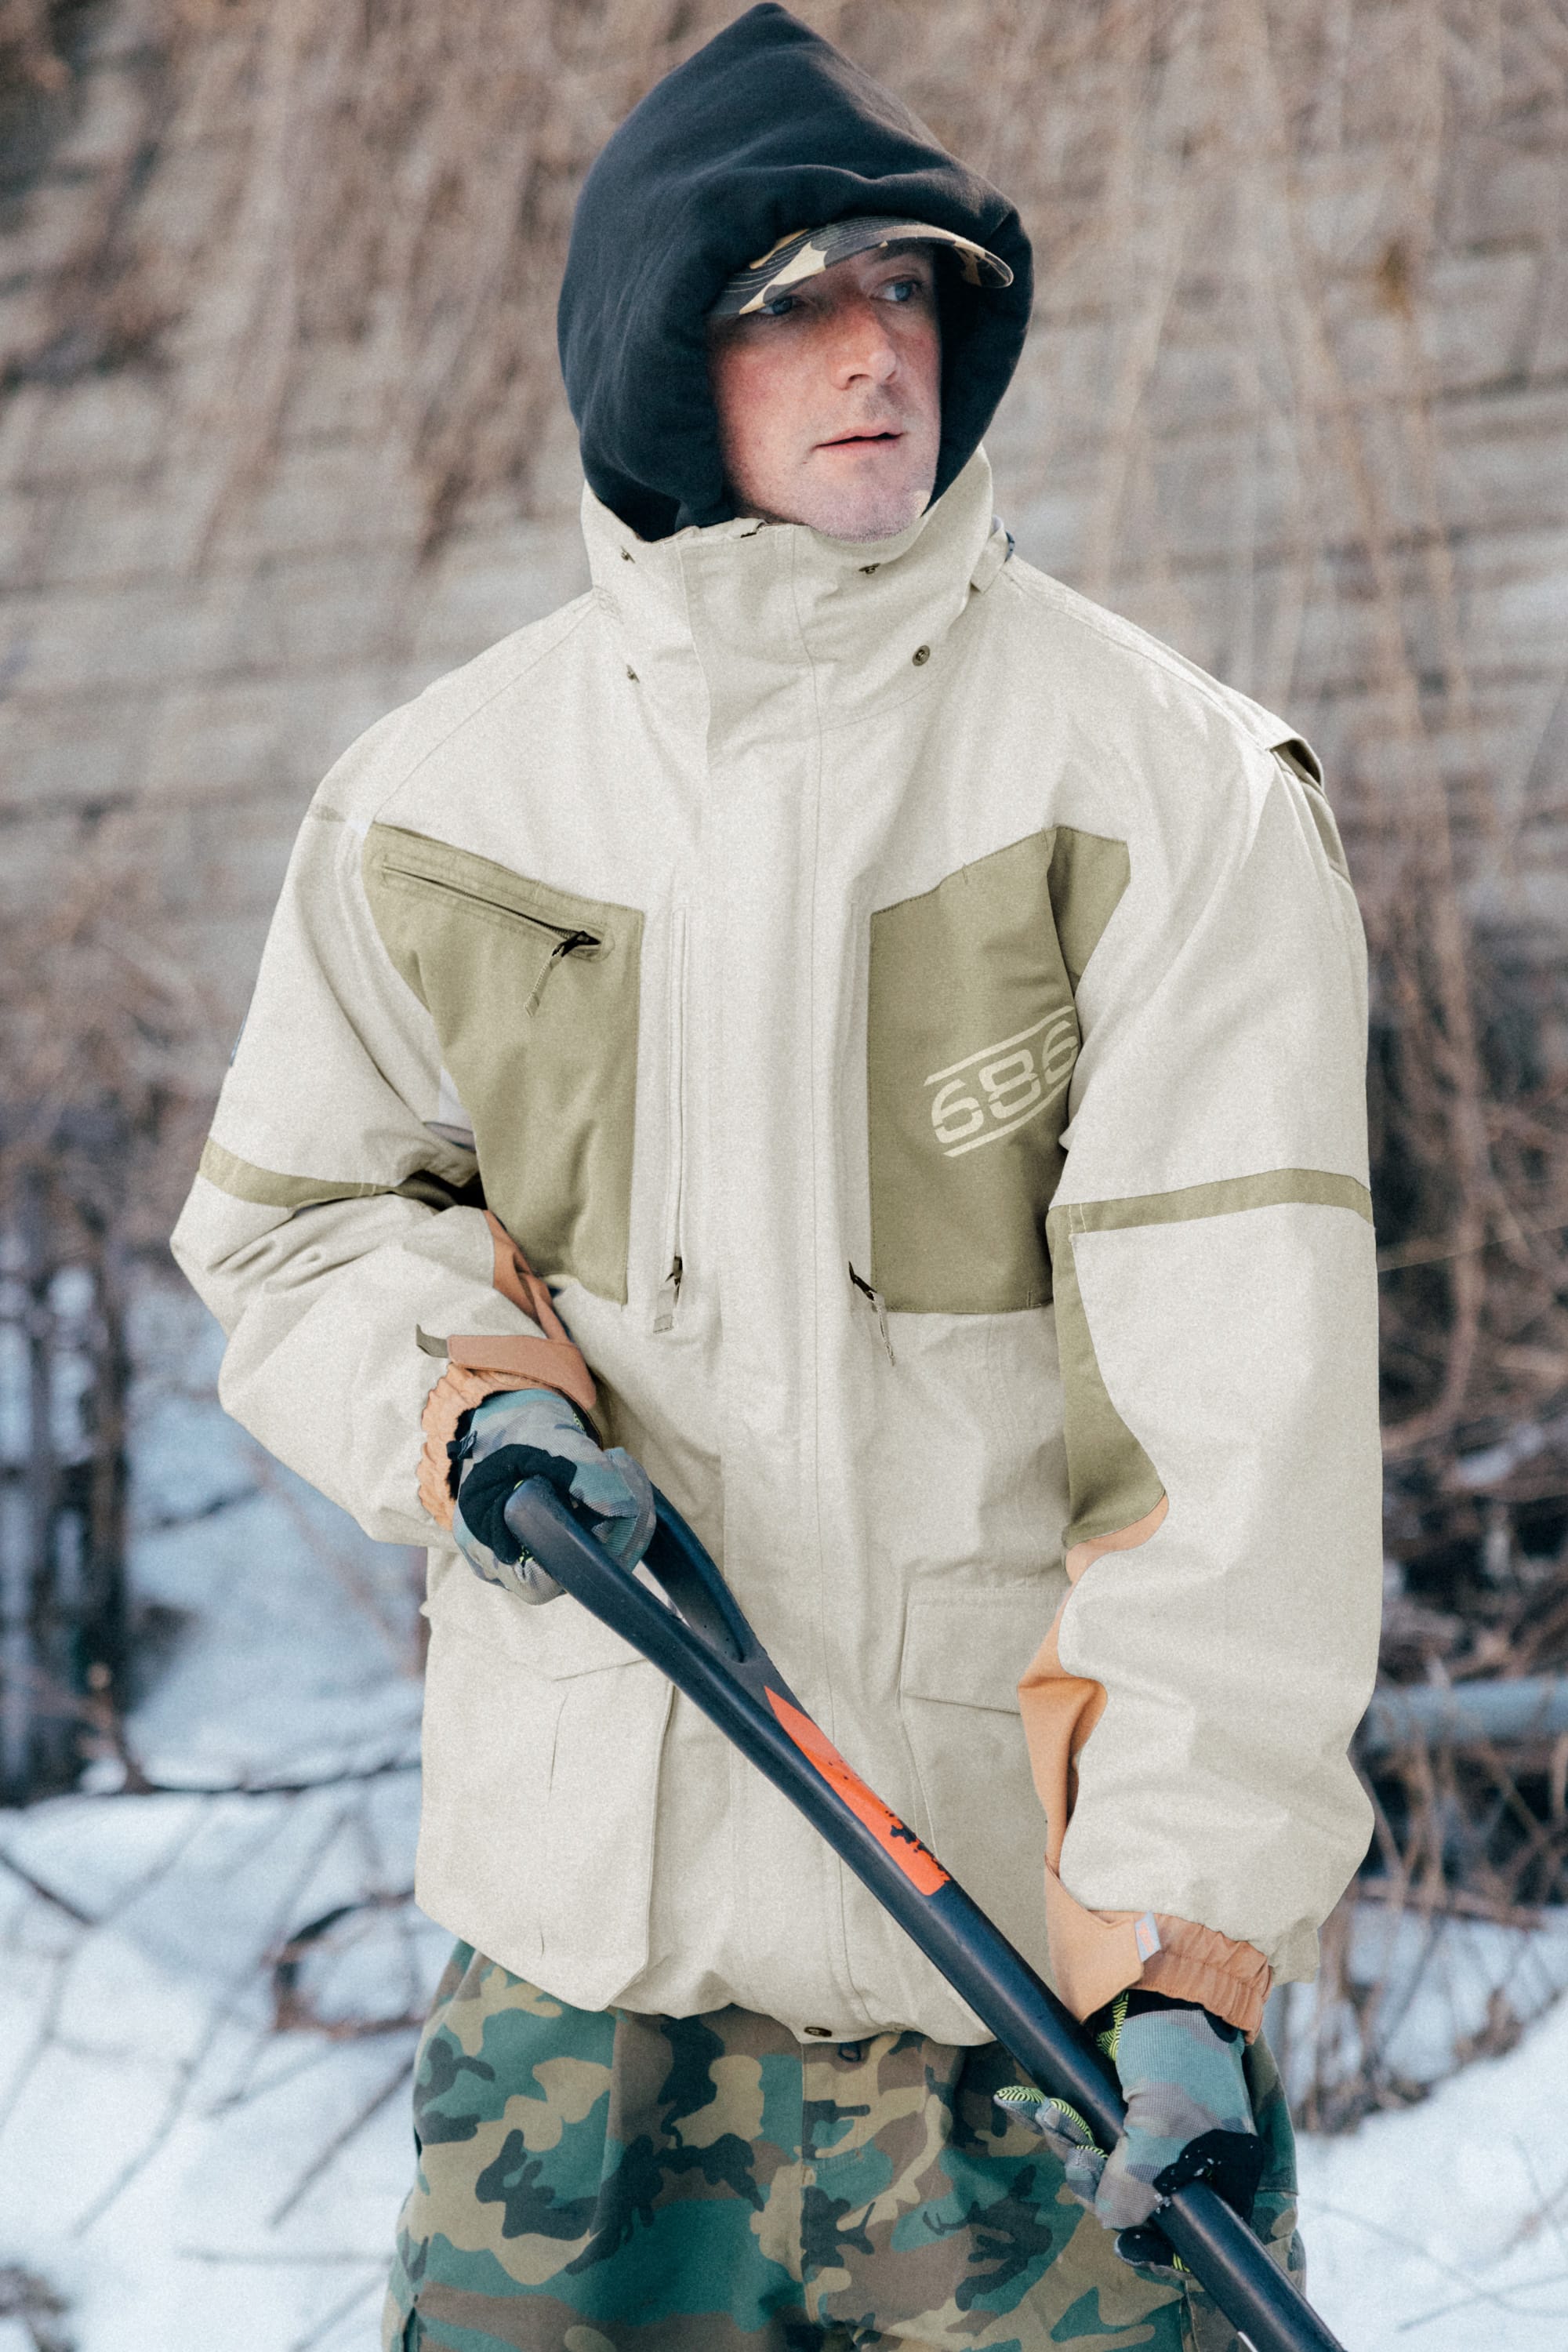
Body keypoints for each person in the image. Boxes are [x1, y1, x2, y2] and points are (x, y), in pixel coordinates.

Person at [172, 8, 1382, 2347]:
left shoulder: (1168, 793)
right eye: (796, 305)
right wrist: (469, 1404)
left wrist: (1193, 1947)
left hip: (1034, 2005)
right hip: (584, 1979)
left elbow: (1235, 1440)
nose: (875, 355)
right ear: (659, 358)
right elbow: (302, 1218)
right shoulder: (441, 801)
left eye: (910, 294)